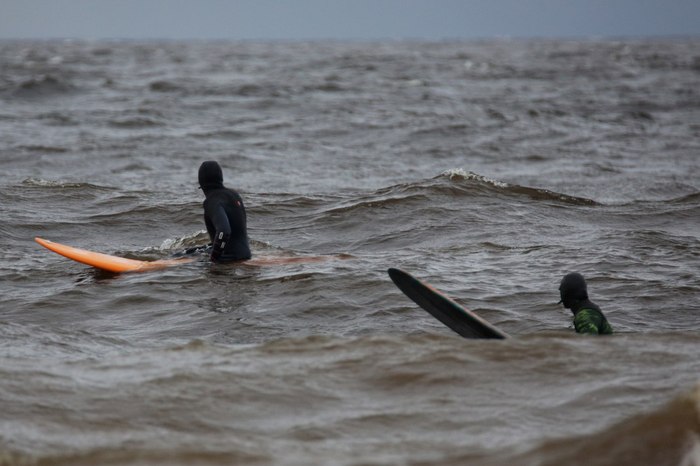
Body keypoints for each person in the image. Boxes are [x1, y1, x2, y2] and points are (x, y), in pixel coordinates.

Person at [198, 161, 252, 262]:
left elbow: (224, 231)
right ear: (220, 177)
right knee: (192, 251)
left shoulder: (211, 201)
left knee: (178, 257)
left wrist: (214, 259)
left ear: (201, 181)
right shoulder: (234, 195)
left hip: (229, 260)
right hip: (245, 254)